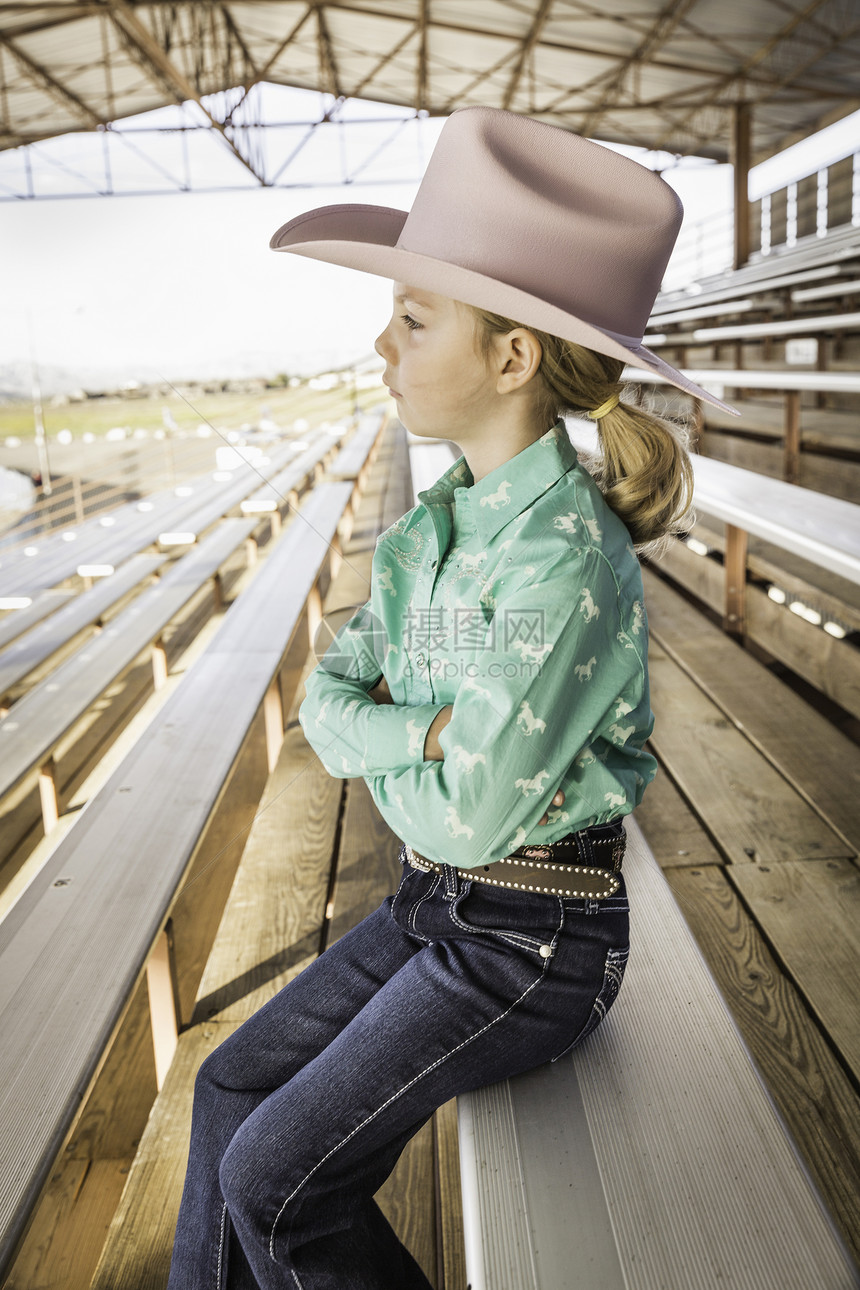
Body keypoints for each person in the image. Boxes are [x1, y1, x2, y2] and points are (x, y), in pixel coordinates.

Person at [167, 106, 735, 1290]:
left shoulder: (561, 559)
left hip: (530, 939)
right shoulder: (444, 525)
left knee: (274, 1183)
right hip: (440, 908)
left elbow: (468, 815)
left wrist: (387, 734)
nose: (383, 345)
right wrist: (420, 730)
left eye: (412, 318)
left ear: (510, 357)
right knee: (226, 1088)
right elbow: (330, 689)